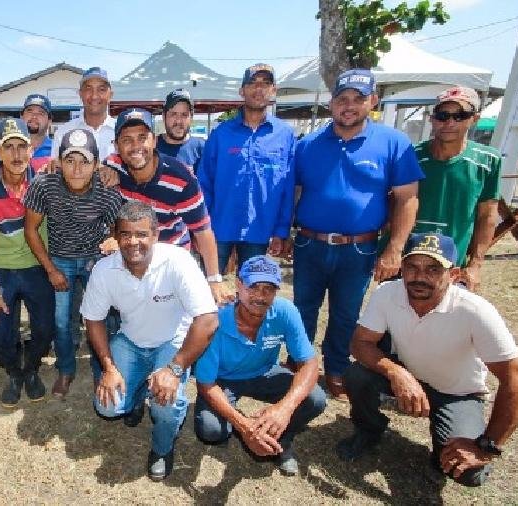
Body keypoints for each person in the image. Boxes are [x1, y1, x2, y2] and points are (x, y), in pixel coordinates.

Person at [336, 233, 518, 487]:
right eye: (412, 267)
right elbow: (360, 343)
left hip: (457, 393)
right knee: (357, 375)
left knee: (467, 472)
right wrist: (398, 373)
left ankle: (443, 443)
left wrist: (486, 447)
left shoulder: (475, 311)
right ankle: (369, 431)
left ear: (453, 275)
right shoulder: (388, 293)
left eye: (433, 269)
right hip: (411, 374)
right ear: (402, 269)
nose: (420, 277)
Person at [292, 69, 423, 399]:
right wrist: (284, 231)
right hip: (310, 243)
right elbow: (293, 192)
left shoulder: (394, 143)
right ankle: (301, 366)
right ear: (332, 104)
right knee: (303, 308)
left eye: (358, 99)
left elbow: (408, 199)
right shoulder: (307, 145)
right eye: (342, 99)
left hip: (359, 248)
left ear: (373, 102)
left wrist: (394, 250)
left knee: (346, 313)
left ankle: (336, 369)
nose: (348, 106)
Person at [80, 201, 218, 481]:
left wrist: (175, 368)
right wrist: (109, 368)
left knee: (165, 407)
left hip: (171, 345)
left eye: (142, 234)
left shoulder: (178, 261)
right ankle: (135, 395)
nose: (134, 242)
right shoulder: (104, 270)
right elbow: (93, 320)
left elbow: (208, 320)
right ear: (115, 236)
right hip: (131, 341)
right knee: (107, 407)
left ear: (155, 235)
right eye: (126, 234)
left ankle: (162, 449)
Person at [194, 255, 326, 476]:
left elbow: (309, 363)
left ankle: (280, 435)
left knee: (315, 398)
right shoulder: (216, 318)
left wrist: (284, 408)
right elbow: (205, 383)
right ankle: (251, 430)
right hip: (223, 380)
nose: (260, 296)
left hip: (265, 372)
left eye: (269, 289)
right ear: (238, 285)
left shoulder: (285, 311)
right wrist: (245, 427)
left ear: (276, 291)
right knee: (211, 430)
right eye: (253, 286)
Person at [23, 128, 123, 399]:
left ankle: (101, 368)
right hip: (60, 259)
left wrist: (114, 240)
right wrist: (51, 269)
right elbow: (31, 229)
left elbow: (121, 226)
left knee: (100, 316)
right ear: (60, 162)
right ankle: (66, 369)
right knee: (61, 321)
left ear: (96, 164)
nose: (77, 169)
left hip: (95, 260)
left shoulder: (107, 189)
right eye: (70, 160)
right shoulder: (45, 185)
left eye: (85, 161)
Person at [103, 108, 232, 304]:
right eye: (127, 140)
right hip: (132, 253)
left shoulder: (181, 178)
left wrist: (214, 279)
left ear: (154, 141)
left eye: (142, 138)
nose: (136, 146)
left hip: (171, 255)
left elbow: (202, 231)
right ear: (116, 146)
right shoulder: (114, 166)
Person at [0, 118, 54, 406]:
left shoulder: (44, 174)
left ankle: (31, 369)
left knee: (45, 328)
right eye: (9, 147)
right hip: (1, 266)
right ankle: (15, 372)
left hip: (36, 265)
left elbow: (81, 168)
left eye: (22, 147)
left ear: (31, 150)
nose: (17, 154)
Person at [198, 64, 297, 272]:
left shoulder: (285, 135)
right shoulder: (220, 134)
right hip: (219, 228)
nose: (258, 89)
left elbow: (288, 188)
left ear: (273, 90)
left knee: (253, 294)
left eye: (265, 84)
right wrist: (202, 227)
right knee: (208, 289)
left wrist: (281, 230)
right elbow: (204, 183)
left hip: (260, 231)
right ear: (242, 90)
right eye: (252, 83)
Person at [412, 86, 499, 291]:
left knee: (444, 322)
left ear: (474, 119)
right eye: (443, 115)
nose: (450, 123)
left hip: (451, 266)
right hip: (407, 263)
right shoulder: (410, 156)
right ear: (432, 119)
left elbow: (487, 216)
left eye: (460, 115)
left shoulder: (488, 161)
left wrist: (476, 264)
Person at [52, 67, 116, 160]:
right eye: (88, 89)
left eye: (101, 89)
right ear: (80, 94)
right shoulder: (63, 133)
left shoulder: (121, 131)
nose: (94, 96)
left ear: (110, 95)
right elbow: (56, 169)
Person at [0, 94, 54, 170]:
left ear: (49, 121)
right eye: (30, 111)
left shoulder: (56, 150)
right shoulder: (4, 148)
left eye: (41, 113)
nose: (34, 116)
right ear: (21, 116)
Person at [155, 89, 204, 173]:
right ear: (164, 116)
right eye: (173, 114)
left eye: (184, 115)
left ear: (191, 118)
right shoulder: (151, 147)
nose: (178, 121)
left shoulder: (203, 149)